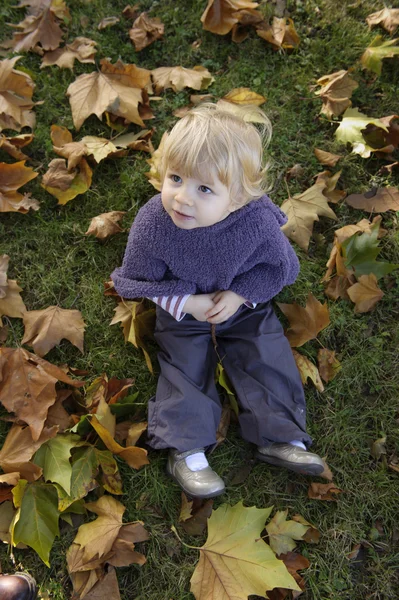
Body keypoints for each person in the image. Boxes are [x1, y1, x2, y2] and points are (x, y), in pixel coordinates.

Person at [111, 103, 324, 498]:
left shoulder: (256, 222)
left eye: (204, 188)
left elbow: (279, 267)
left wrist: (242, 294)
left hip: (240, 302)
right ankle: (187, 448)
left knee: (264, 349)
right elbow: (137, 281)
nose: (182, 198)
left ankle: (280, 435)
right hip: (184, 305)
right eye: (175, 178)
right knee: (184, 362)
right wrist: (185, 303)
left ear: (238, 198)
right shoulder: (155, 224)